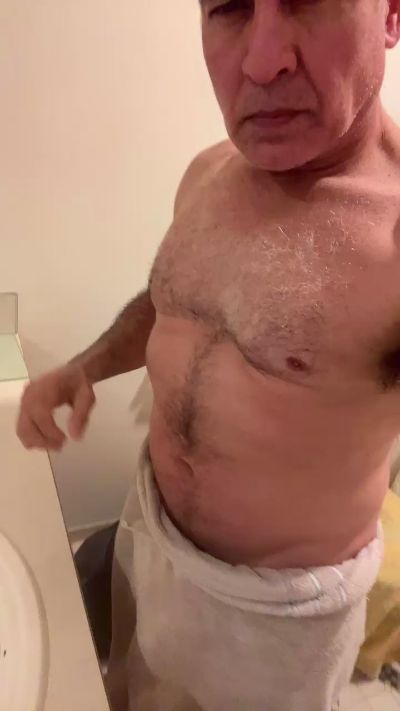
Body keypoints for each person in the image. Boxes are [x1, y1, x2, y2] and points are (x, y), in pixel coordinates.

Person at [17, 1, 400, 709]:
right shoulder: (210, 170)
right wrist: (84, 367)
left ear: (390, 17)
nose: (261, 60)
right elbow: (172, 301)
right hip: (152, 533)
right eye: (228, 7)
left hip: (274, 622)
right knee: (134, 687)